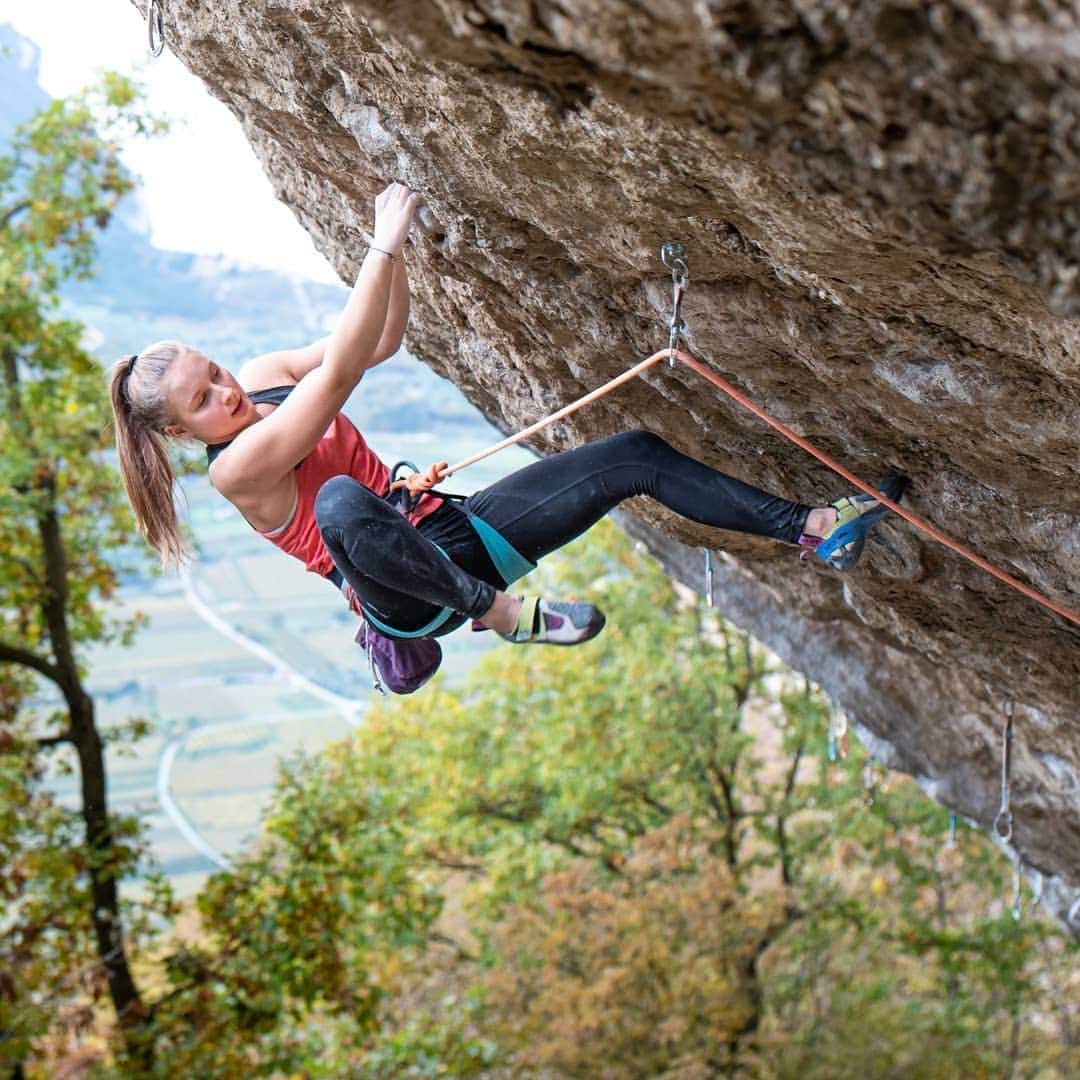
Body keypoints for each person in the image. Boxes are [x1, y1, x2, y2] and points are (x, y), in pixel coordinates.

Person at [110, 182, 905, 659]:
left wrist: (403, 253)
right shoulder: (235, 471)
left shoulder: (264, 378)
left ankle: (813, 528)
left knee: (633, 453)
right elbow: (344, 373)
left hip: (449, 531)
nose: (225, 392)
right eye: (203, 401)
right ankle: (504, 616)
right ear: (183, 435)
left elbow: (381, 340)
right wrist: (377, 248)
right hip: (406, 592)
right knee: (338, 503)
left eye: (212, 372)